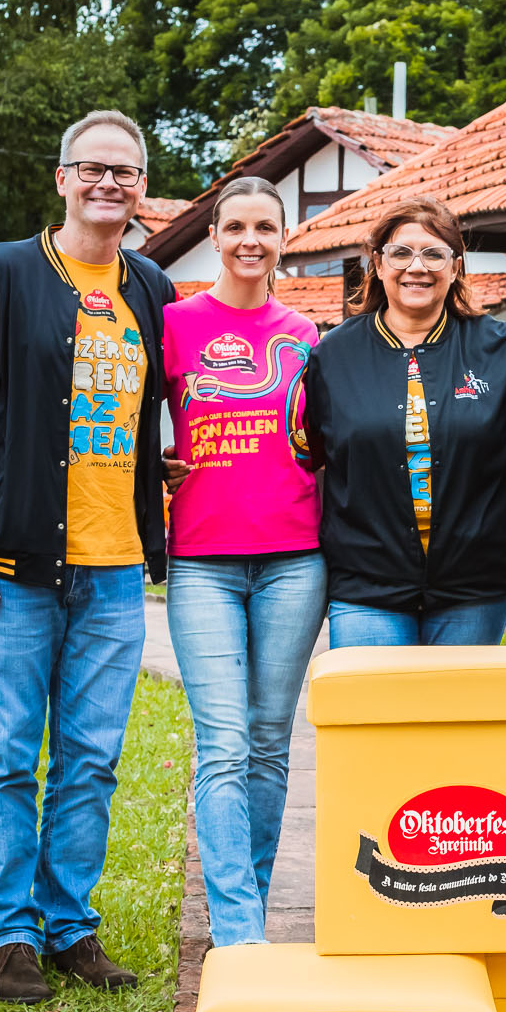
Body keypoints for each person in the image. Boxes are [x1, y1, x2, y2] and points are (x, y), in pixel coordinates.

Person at [0, 109, 175, 1002]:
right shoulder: (0, 273)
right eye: (93, 168)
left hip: (114, 569)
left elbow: (159, 416)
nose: (111, 184)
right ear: (60, 178)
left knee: (93, 758)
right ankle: (13, 937)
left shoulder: (152, 290)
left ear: (142, 190)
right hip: (13, 568)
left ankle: (71, 928)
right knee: (10, 755)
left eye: (127, 173)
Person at [158, 177, 325, 947]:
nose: (249, 240)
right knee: (221, 741)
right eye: (235, 227)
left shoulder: (309, 333)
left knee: (267, 739)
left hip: (296, 558)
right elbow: (126, 422)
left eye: (265, 226)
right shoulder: (172, 326)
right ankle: (235, 928)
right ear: (215, 237)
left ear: (282, 237)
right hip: (202, 561)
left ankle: (249, 899)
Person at [303, 197, 506, 646]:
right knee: (374, 716)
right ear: (378, 263)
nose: (417, 267)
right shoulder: (333, 355)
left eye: (434, 253)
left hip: (475, 586)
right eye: (401, 253)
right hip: (366, 585)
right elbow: (308, 457)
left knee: (452, 716)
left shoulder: (504, 351)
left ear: (456, 266)